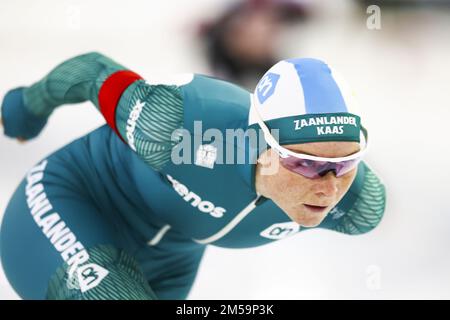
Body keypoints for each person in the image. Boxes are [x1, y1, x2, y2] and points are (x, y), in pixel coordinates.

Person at [0, 52, 386, 300]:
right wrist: (26, 107)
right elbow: (90, 71)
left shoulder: (356, 205)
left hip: (166, 262)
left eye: (346, 164)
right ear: (260, 142)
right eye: (305, 163)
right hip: (74, 200)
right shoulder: (179, 127)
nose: (330, 186)